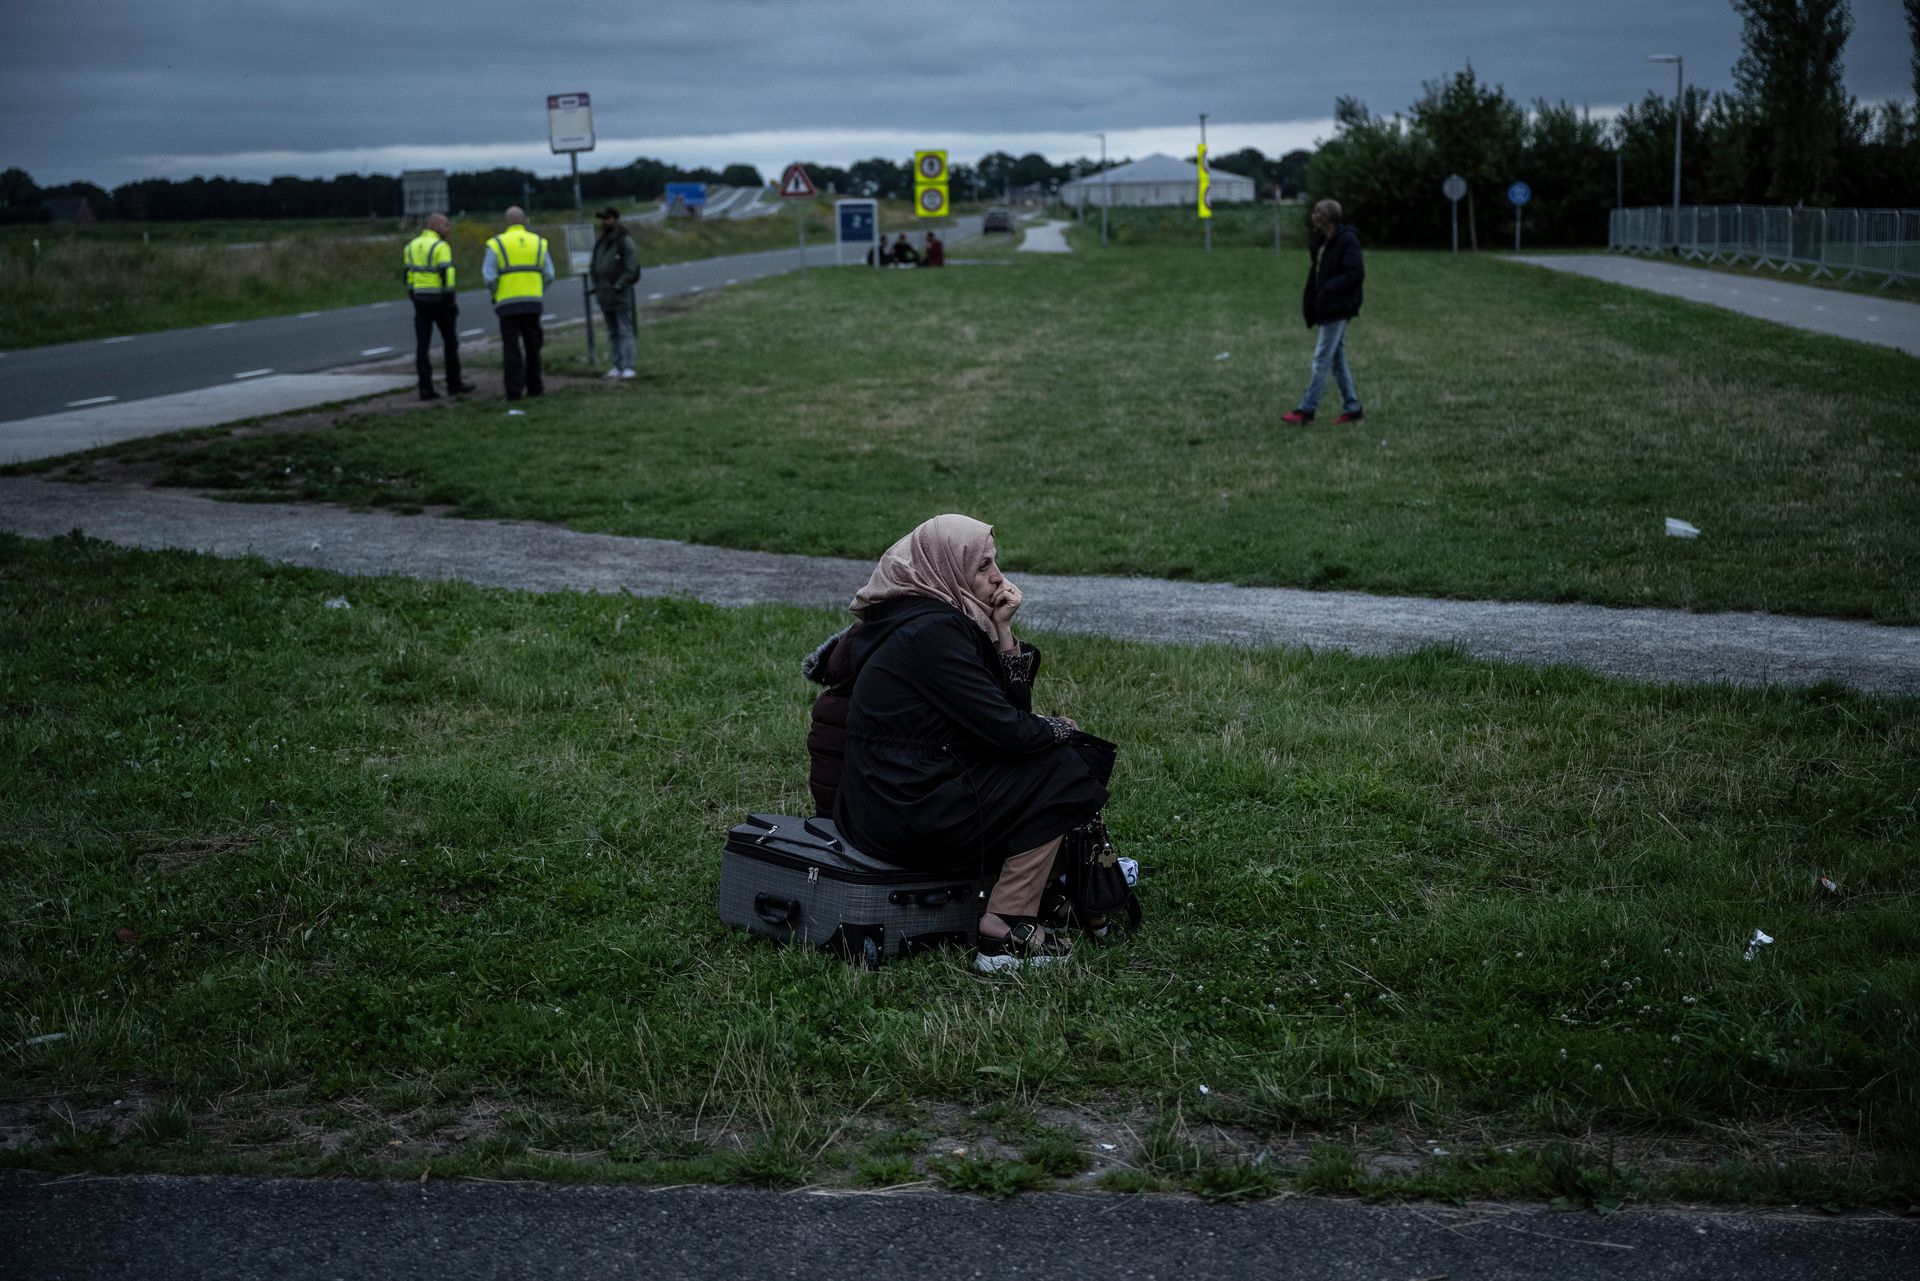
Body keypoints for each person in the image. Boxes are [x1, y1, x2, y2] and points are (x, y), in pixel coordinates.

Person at [820, 514, 1110, 972]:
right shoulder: (931, 633)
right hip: (906, 808)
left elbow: (1003, 713)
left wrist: (1003, 631)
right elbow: (1009, 730)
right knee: (1064, 769)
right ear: (945, 568)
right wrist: (1061, 731)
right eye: (982, 567)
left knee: (1053, 762)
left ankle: (1047, 893)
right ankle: (1005, 929)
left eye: (994, 563)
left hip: (889, 799)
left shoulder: (921, 614)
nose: (997, 577)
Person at [1281, 199, 1365, 426]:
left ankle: (1306, 410)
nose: (1313, 215)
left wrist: (1328, 288)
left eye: (1316, 212)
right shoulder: (1323, 241)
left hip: (1339, 306)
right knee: (1337, 359)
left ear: (1327, 217)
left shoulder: (1347, 240)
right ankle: (1353, 408)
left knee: (1321, 359)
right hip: (1327, 305)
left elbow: (1355, 273)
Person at [481, 207, 555, 401]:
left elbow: (489, 276)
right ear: (525, 220)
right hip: (532, 302)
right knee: (533, 346)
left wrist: (497, 293)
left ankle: (514, 391)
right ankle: (535, 387)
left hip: (507, 303)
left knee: (511, 349)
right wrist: (537, 290)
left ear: (507, 222)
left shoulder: (496, 244)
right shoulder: (538, 242)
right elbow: (549, 274)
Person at [402, 212, 475, 401]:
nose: (448, 229)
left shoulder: (411, 246)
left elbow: (408, 274)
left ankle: (425, 389)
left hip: (420, 299)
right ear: (435, 226)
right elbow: (447, 274)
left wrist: (413, 294)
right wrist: (450, 299)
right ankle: (454, 384)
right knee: (450, 343)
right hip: (440, 300)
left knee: (422, 347)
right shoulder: (441, 246)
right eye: (446, 226)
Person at [591, 206, 641, 380]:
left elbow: (631, 268)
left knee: (625, 330)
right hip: (605, 296)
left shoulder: (624, 241)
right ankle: (616, 365)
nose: (605, 222)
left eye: (608, 218)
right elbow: (595, 265)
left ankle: (629, 365)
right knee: (612, 332)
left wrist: (619, 284)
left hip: (620, 295)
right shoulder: (601, 242)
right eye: (603, 218)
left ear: (616, 219)